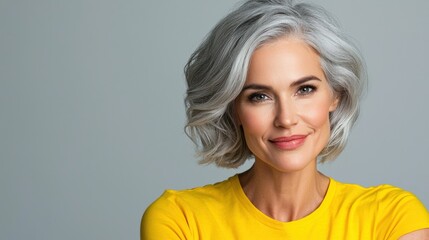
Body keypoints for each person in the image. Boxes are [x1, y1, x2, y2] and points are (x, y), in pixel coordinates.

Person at [141, 0, 429, 239]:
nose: (286, 118)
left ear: (336, 95)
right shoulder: (181, 220)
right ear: (232, 108)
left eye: (305, 90)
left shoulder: (393, 218)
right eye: (259, 96)